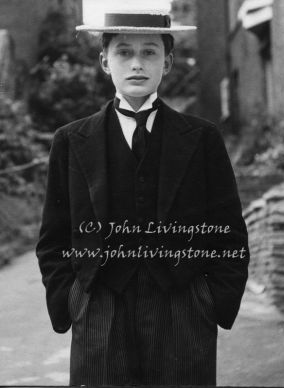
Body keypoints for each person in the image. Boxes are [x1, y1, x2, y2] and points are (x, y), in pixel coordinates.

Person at [36, 5, 250, 387]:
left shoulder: (201, 138)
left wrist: (210, 298)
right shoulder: (70, 141)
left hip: (181, 305)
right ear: (105, 60)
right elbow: (54, 235)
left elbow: (228, 229)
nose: (137, 64)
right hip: (100, 305)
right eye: (124, 52)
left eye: (149, 52)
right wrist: (72, 300)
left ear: (167, 63)